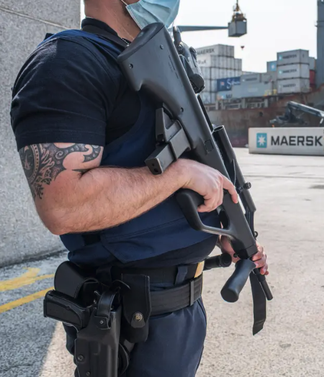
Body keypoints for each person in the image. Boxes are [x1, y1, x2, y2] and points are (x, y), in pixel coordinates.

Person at [10, 0, 268, 376]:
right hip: (131, 318)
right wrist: (177, 175)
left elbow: (154, 185)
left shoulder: (158, 65)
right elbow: (62, 207)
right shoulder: (67, 62)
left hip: (178, 311)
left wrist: (222, 228)